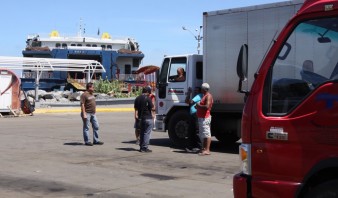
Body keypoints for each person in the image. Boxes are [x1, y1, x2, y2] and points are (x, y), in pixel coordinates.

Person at [134, 86, 155, 152]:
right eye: (149, 92)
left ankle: (141, 147)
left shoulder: (137, 98)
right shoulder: (148, 98)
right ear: (147, 92)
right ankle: (144, 147)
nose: (149, 94)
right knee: (147, 133)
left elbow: (136, 109)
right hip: (148, 118)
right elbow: (152, 108)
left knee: (142, 133)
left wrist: (136, 116)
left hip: (141, 118)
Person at [196, 83, 213, 156]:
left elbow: (207, 106)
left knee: (206, 133)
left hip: (205, 117)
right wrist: (198, 107)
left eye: (201, 88)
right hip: (201, 117)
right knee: (202, 134)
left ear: (204, 89)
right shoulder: (204, 96)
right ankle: (203, 148)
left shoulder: (208, 96)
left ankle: (207, 150)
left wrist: (198, 106)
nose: (201, 89)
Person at [185, 87, 203, 153]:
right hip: (193, 114)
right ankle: (192, 147)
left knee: (195, 131)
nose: (195, 90)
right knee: (192, 131)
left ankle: (199, 147)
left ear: (200, 90)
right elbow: (187, 102)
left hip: (195, 114)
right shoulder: (197, 96)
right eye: (195, 89)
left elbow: (188, 101)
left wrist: (189, 93)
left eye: (196, 89)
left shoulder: (198, 96)